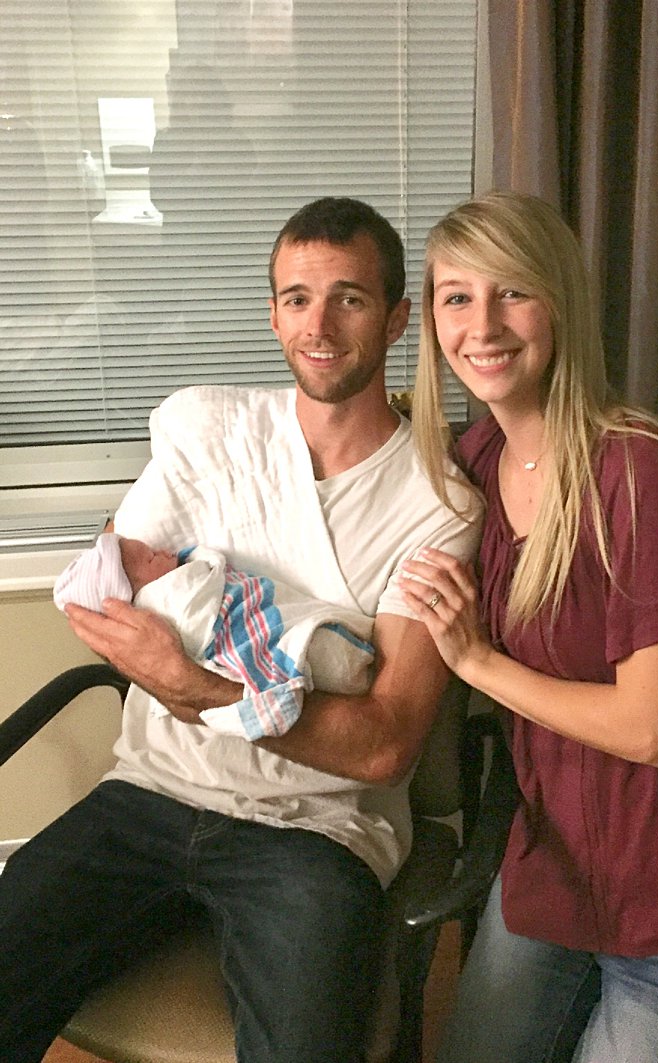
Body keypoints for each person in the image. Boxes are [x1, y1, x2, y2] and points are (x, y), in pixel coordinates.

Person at [0, 196, 480, 1062]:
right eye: (297, 298)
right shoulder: (212, 433)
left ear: (397, 318)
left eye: (349, 298)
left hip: (315, 830)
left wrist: (198, 686)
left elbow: (383, 747)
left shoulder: (436, 505)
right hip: (150, 793)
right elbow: (104, 599)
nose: (318, 326)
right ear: (272, 313)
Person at [403, 191, 658, 1062]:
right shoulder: (475, 464)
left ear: (562, 304)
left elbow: (654, 729)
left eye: (513, 291)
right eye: (457, 297)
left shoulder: (637, 472)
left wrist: (477, 662)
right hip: (556, 868)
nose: (482, 324)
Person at [54, 531, 376, 739]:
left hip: (268, 624)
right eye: (152, 557)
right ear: (130, 596)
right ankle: (277, 692)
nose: (163, 550)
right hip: (246, 645)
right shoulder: (168, 599)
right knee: (318, 655)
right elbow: (200, 615)